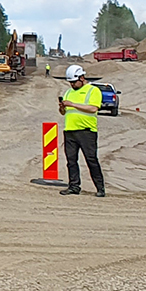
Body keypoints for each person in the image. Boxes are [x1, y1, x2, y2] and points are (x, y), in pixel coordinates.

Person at [58, 64, 106, 197]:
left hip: (87, 131)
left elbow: (93, 108)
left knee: (91, 160)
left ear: (82, 77)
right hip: (70, 131)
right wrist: (62, 107)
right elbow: (64, 112)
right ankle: (74, 186)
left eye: (74, 82)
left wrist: (72, 104)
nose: (72, 85)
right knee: (71, 160)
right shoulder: (68, 92)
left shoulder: (93, 90)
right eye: (70, 82)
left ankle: (100, 188)